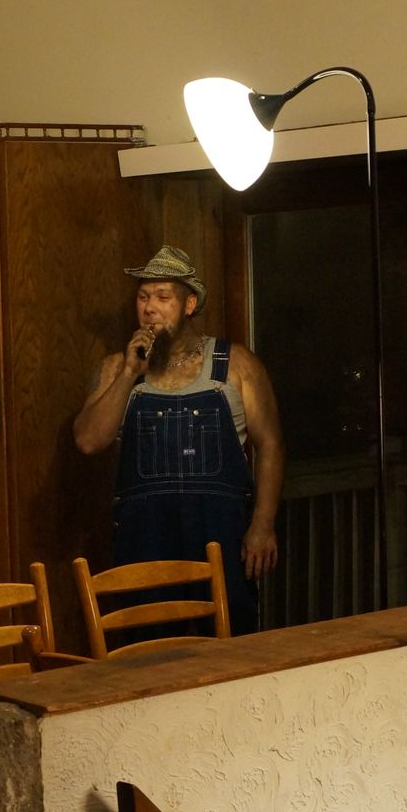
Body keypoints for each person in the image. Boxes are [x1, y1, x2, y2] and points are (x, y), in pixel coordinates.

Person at [73, 244, 284, 634]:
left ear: (189, 304)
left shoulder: (235, 364)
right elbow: (88, 441)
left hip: (220, 540)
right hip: (144, 544)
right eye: (143, 297)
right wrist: (128, 373)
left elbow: (270, 445)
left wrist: (263, 525)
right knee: (146, 649)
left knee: (228, 647)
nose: (150, 308)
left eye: (162, 297)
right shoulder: (117, 368)